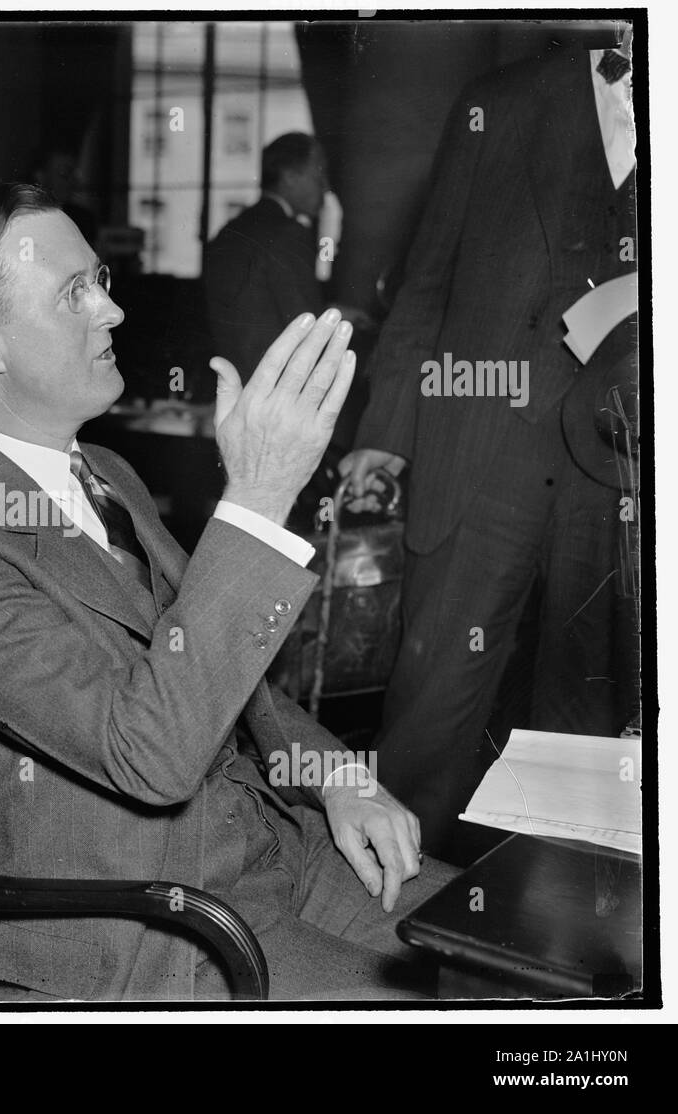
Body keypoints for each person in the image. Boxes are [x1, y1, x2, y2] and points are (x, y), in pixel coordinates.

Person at [0, 182, 456, 1002]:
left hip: (273, 848)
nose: (111, 313)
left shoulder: (106, 472)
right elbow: (148, 758)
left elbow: (220, 670)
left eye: (100, 281)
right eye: (72, 293)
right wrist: (254, 499)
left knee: (519, 949)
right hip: (153, 930)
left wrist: (333, 775)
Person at [338, 39, 637, 861]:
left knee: (591, 731)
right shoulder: (500, 102)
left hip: (623, 469)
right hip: (482, 448)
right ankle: (379, 929)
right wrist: (386, 437)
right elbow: (426, 281)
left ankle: (554, 944)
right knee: (432, 717)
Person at [202, 133, 328, 385]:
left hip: (232, 382)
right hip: (279, 388)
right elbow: (307, 324)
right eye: (318, 175)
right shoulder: (288, 233)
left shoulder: (231, 230)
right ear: (290, 176)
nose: (325, 187)